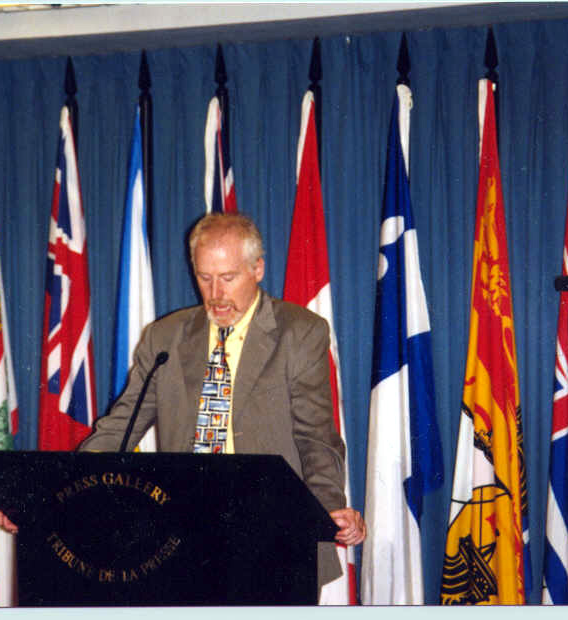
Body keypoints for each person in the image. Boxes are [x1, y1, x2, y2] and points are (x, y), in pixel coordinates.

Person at [77, 212, 366, 593]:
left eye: (228, 278)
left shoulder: (299, 332)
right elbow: (119, 427)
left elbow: (316, 439)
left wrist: (325, 508)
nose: (215, 294)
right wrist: (59, 495)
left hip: (273, 538)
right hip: (183, 539)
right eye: (204, 277)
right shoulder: (165, 337)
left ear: (257, 269)